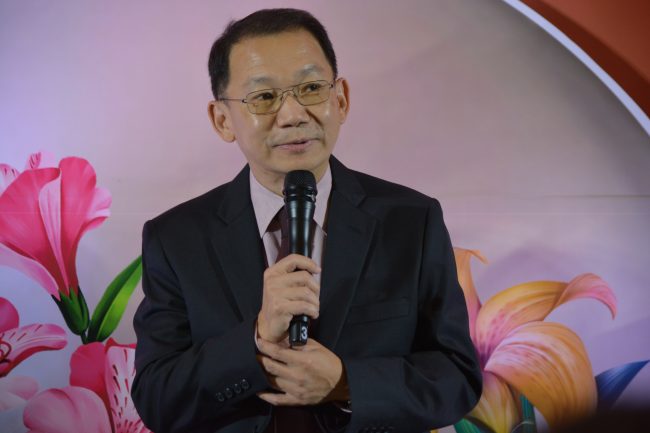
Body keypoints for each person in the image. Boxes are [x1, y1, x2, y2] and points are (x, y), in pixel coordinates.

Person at [132, 8, 481, 433]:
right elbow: (158, 400)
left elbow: (457, 378)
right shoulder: (176, 239)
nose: (293, 114)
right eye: (264, 97)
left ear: (341, 99)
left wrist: (346, 383)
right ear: (222, 119)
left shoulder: (412, 221)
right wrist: (256, 337)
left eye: (311, 88)